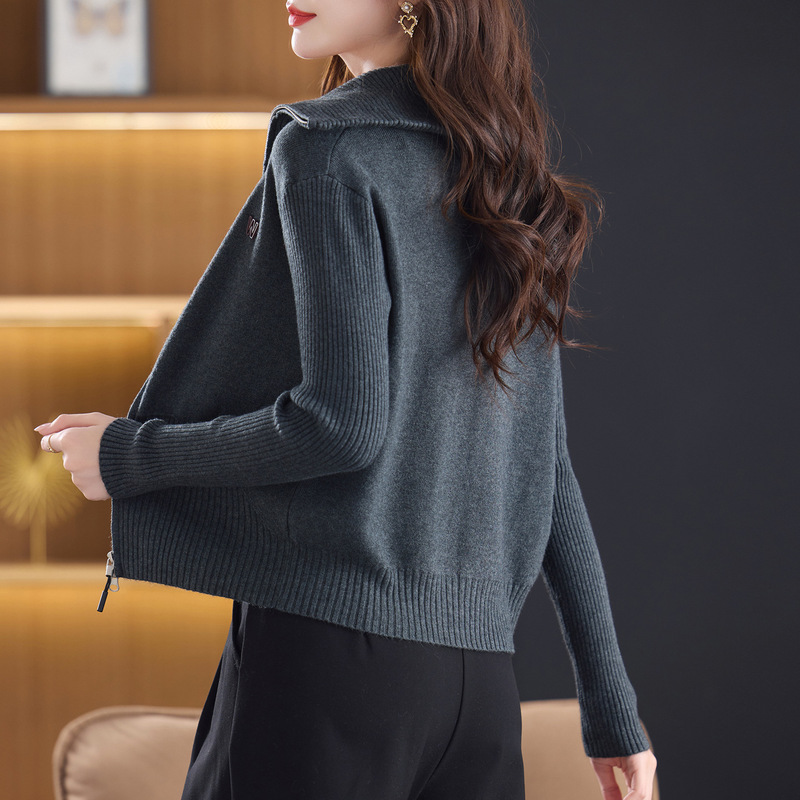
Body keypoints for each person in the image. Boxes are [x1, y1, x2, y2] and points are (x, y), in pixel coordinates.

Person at [35, 0, 658, 797]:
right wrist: (612, 712)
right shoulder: (508, 180)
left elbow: (339, 426)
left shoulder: (327, 149)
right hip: (479, 688)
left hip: (329, 668)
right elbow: (546, 470)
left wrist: (127, 456)